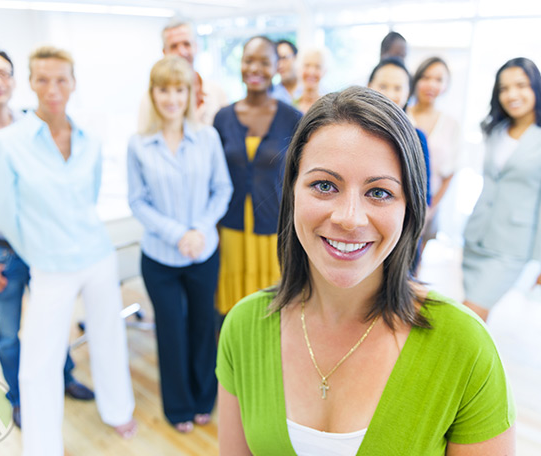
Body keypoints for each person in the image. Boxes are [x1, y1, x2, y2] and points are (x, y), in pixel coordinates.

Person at [216, 86, 516, 455]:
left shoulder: (465, 348)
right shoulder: (243, 327)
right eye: (324, 185)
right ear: (292, 191)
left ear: (409, 208)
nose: (348, 218)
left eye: (379, 192)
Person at [0, 46, 136, 455]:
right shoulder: (8, 144)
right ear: (30, 83)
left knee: (109, 336)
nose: (52, 88)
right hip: (51, 266)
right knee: (39, 362)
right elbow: (4, 212)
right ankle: (41, 446)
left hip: (97, 254)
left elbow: (87, 199)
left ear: (73, 83)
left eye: (61, 79)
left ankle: (118, 409)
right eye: (43, 79)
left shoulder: (88, 139)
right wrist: (39, 250)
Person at [0, 42, 94, 430]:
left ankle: (65, 377)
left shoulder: (35, 126)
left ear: (15, 80)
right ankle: (19, 398)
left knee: (55, 319)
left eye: (3, 73)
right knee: (10, 333)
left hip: (43, 246)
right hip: (0, 255)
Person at [127, 55, 233, 433]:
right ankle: (178, 407)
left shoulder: (207, 138)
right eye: (163, 89)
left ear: (190, 94)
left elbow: (223, 189)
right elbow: (137, 201)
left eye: (179, 89)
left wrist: (199, 231)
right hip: (160, 258)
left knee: (204, 327)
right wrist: (178, 235)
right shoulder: (139, 145)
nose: (171, 98)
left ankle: (205, 398)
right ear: (152, 94)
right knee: (171, 333)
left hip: (203, 251)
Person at [462, 57, 541, 321]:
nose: (511, 94)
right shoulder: (496, 131)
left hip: (509, 249)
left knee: (467, 316)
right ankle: (475, 364)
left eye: (520, 85)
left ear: (537, 88)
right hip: (475, 237)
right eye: (503, 88)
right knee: (474, 324)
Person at [213, 36, 302, 317]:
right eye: (248, 60)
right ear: (240, 65)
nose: (255, 69)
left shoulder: (293, 118)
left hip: (273, 233)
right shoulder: (222, 118)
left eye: (264, 62)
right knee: (231, 312)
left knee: (272, 312)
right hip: (230, 231)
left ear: (277, 67)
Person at [407, 57, 461, 252]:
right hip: (399, 202)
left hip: (430, 206)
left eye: (439, 79)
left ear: (446, 85)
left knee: (417, 261)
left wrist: (431, 209)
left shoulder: (451, 124)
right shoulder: (402, 114)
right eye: (425, 77)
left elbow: (450, 173)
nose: (431, 84)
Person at [138, 18, 227, 128]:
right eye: (174, 46)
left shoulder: (216, 91)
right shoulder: (149, 99)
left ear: (196, 47)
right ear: (165, 52)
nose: (182, 52)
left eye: (187, 44)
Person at [368, 56, 431, 206]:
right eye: (383, 86)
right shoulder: (353, 131)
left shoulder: (417, 138)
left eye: (398, 88)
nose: (390, 95)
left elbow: (424, 197)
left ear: (408, 93)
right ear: (369, 86)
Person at [294, 47, 329, 114]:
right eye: (307, 65)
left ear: (324, 71)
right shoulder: (291, 105)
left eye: (318, 66)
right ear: (299, 68)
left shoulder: (329, 107)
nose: (311, 72)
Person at [271, 39, 300, 104]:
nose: (280, 65)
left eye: (284, 58)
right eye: (276, 60)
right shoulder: (271, 95)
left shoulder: (312, 91)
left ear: (296, 58)